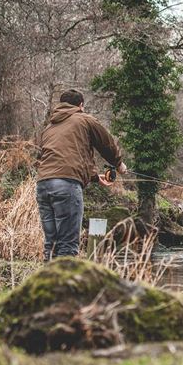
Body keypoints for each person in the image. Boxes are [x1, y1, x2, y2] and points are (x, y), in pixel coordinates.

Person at [35, 89, 127, 261]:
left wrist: (93, 176)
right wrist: (119, 164)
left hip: (43, 185)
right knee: (68, 246)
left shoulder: (49, 127)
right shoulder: (84, 119)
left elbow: (63, 156)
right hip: (66, 186)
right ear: (81, 105)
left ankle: (49, 285)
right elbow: (105, 142)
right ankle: (66, 287)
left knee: (51, 244)